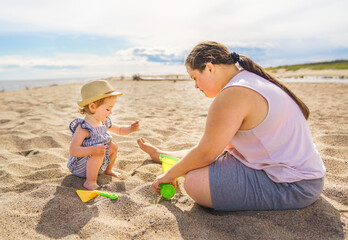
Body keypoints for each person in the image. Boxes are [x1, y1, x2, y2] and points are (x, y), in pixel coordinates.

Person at [137, 41, 326, 211]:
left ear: (210, 68)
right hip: (295, 172)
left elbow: (206, 153)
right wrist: (163, 157)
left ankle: (169, 162)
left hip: (295, 185)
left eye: (195, 77)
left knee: (195, 182)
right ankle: (162, 155)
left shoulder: (234, 93)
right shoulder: (248, 79)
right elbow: (213, 149)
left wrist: (168, 176)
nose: (195, 85)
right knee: (213, 154)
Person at [68, 80, 139, 190]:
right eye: (108, 109)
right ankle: (90, 182)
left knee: (113, 145)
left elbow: (120, 130)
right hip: (81, 167)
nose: (111, 112)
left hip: (97, 162)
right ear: (92, 107)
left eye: (111, 109)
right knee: (99, 152)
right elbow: (73, 150)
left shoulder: (104, 122)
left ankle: (108, 170)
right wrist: (92, 150)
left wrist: (130, 129)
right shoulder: (84, 127)